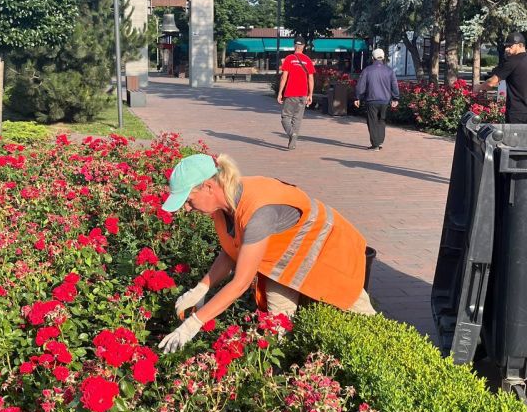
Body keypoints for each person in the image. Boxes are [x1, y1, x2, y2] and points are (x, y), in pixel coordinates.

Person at [158, 153, 376, 353]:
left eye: (188, 200)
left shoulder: (258, 213)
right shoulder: (224, 204)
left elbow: (241, 283)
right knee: (278, 326)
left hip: (329, 251)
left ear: (208, 187)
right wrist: (201, 288)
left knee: (359, 315)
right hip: (285, 260)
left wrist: (194, 323)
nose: (187, 208)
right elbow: (232, 250)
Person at [353, 48, 400, 150]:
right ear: (383, 58)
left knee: (372, 121)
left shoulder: (367, 70)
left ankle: (375, 144)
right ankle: (379, 140)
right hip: (385, 100)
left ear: (372, 58)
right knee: (381, 120)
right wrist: (395, 98)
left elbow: (361, 85)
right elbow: (394, 85)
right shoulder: (389, 71)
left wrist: (357, 97)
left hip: (372, 99)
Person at [478, 32, 527, 124]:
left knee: (514, 134)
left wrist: (477, 88)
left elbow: (491, 83)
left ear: (520, 45)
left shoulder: (513, 61)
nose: (507, 49)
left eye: (510, 46)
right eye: (506, 46)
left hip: (517, 113)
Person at [276, 35, 315, 150]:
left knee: (285, 117)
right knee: (297, 119)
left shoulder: (289, 59)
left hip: (291, 93)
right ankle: (292, 142)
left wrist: (280, 93)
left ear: (294, 46)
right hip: (303, 94)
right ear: (303, 46)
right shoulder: (307, 60)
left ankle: (291, 133)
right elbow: (311, 79)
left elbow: (284, 77)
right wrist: (310, 94)